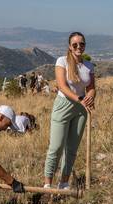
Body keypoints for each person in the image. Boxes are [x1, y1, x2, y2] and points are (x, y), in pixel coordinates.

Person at [43, 32, 95, 189]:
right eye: (75, 45)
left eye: (82, 44)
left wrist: (90, 97)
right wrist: (79, 98)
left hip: (81, 109)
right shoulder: (62, 61)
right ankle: (47, 184)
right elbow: (61, 86)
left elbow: (91, 87)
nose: (79, 47)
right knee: (56, 147)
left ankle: (64, 182)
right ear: (70, 47)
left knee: (72, 148)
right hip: (64, 104)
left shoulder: (89, 65)